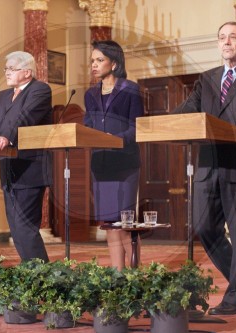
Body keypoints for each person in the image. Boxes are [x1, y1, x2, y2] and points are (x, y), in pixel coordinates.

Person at [174, 22, 236, 315]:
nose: (226, 42)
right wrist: (159, 122)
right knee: (204, 227)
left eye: (232, 37)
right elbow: (186, 111)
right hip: (209, 166)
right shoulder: (206, 79)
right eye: (221, 38)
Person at [0, 51, 52, 262]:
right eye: (6, 69)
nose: (6, 73)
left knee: (26, 227)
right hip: (8, 168)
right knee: (16, 229)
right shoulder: (4, 96)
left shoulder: (40, 90)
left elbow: (27, 116)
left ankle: (42, 276)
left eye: (11, 69)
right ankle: (32, 273)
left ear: (27, 72)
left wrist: (7, 136)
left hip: (30, 168)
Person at [84, 40, 144, 270]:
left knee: (125, 223)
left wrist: (114, 138)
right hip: (101, 164)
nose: (94, 65)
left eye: (100, 60)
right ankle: (118, 276)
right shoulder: (90, 94)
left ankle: (135, 276)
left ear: (115, 63)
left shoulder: (130, 89)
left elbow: (136, 126)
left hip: (125, 162)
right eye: (92, 61)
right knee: (109, 223)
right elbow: (88, 126)